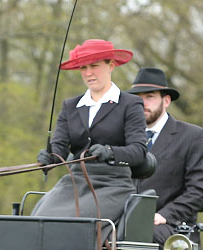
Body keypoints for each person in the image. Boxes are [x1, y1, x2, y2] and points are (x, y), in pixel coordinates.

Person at [33, 39, 147, 228]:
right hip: (75, 181)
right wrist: (49, 157)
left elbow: (138, 151)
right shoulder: (71, 106)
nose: (88, 73)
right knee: (39, 217)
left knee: (73, 223)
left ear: (111, 66)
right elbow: (60, 147)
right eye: (83, 68)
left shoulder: (130, 104)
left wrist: (110, 152)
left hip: (113, 183)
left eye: (94, 66)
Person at [126, 67, 203, 245]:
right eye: (138, 98)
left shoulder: (191, 137)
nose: (142, 103)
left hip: (171, 226)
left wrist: (164, 215)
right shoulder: (123, 136)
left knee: (141, 235)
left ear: (166, 101)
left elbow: (199, 190)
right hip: (123, 220)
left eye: (149, 97)